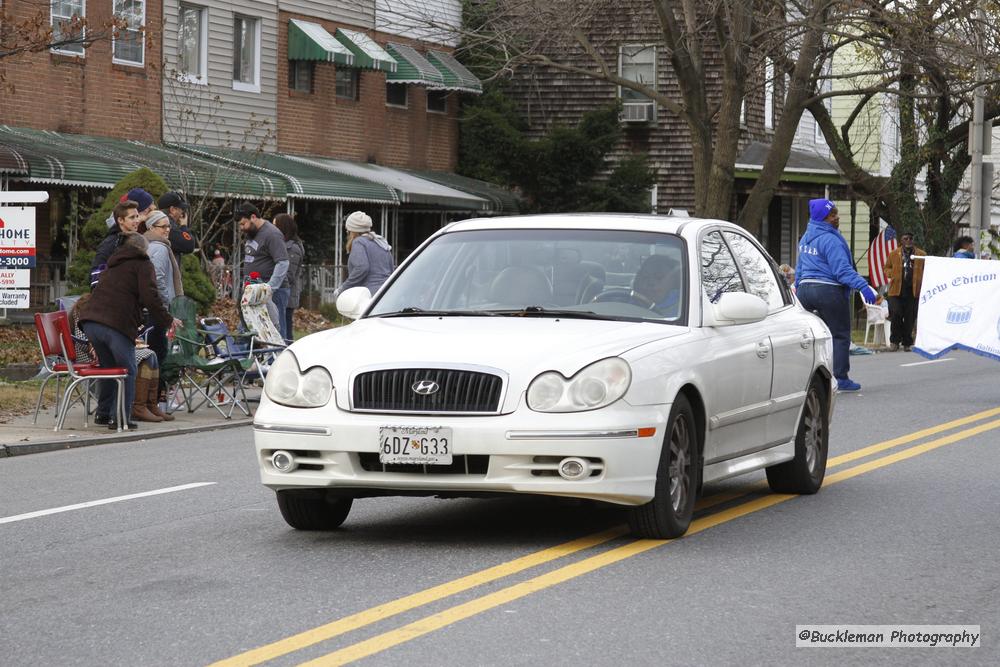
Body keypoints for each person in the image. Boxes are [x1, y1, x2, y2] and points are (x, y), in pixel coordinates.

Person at [78, 233, 181, 430]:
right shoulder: (142, 264)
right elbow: (151, 296)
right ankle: (121, 418)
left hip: (90, 322)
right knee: (128, 369)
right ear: (144, 249)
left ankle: (103, 412)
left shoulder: (113, 264)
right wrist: (167, 319)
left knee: (108, 368)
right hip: (115, 324)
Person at [794, 198, 879, 392]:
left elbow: (800, 268)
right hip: (828, 291)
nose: (837, 218)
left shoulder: (806, 237)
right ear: (823, 217)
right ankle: (840, 378)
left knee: (812, 337)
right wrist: (863, 287)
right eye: (832, 215)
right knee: (839, 335)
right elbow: (842, 271)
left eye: (836, 214)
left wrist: (798, 289)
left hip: (805, 291)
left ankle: (806, 377)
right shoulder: (830, 239)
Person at [69, 293, 170, 423]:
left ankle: (149, 404)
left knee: (150, 354)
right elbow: (86, 340)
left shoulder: (93, 310)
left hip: (102, 352)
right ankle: (138, 407)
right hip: (91, 356)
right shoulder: (84, 313)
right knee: (146, 356)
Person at [141, 210, 184, 392]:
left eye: (169, 226)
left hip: (150, 308)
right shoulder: (159, 248)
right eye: (163, 226)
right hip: (159, 309)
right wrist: (166, 302)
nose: (167, 230)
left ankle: (152, 396)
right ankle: (156, 396)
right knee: (159, 352)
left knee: (152, 351)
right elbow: (157, 278)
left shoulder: (147, 245)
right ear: (151, 227)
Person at [236, 202, 289, 330]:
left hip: (272, 291)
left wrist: (269, 288)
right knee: (250, 328)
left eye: (243, 224)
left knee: (275, 330)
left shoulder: (272, 234)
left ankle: (280, 351)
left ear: (253, 217)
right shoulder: (252, 233)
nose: (241, 228)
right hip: (253, 289)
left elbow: (283, 262)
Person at [333, 211, 395, 298]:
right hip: (388, 293)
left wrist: (343, 288)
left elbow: (361, 268)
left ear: (352, 231)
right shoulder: (381, 242)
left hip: (369, 297)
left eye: (348, 231)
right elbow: (391, 269)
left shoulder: (358, 242)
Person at [884, 231, 926, 352]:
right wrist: (892, 274)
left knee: (910, 317)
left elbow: (926, 269)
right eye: (906, 238)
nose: (908, 241)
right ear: (901, 241)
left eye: (910, 238)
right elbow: (886, 268)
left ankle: (907, 342)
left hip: (913, 290)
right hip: (896, 291)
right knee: (896, 314)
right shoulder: (893, 254)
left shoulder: (921, 254)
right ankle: (894, 341)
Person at [91, 197, 145, 287]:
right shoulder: (110, 243)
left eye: (137, 216)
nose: (137, 221)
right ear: (120, 220)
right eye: (132, 217)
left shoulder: (135, 241)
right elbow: (96, 276)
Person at [274, 213, 304, 343]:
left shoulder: (293, 248)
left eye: (275, 226)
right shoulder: (282, 245)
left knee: (285, 329)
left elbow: (289, 275)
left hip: (287, 295)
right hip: (281, 293)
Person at [157, 191, 198, 265]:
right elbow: (189, 245)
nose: (182, 213)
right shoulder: (166, 225)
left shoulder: (158, 222)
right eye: (181, 209)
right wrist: (184, 226)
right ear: (172, 210)